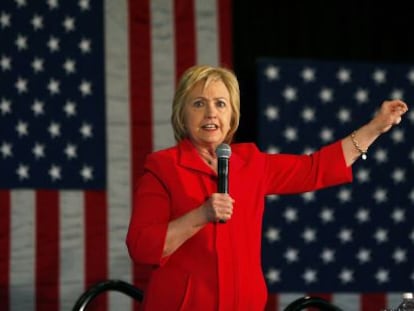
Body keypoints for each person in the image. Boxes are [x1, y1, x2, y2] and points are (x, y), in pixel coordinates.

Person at [126, 64, 408, 310]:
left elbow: (315, 168)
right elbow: (142, 247)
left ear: (232, 114)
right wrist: (201, 215)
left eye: (220, 104)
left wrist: (376, 127)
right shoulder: (163, 168)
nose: (210, 112)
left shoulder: (251, 163)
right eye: (198, 104)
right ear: (182, 114)